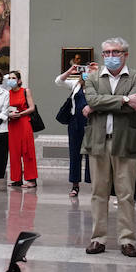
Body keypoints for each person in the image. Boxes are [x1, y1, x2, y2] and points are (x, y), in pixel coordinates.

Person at [84, 37, 136, 257]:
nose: (110, 56)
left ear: (125, 54)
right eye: (107, 53)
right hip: (98, 141)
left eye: (115, 52)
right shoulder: (92, 78)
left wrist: (100, 104)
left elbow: (134, 106)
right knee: (98, 193)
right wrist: (123, 99)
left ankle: (127, 240)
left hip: (125, 142)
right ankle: (98, 239)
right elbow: (92, 101)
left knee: (126, 194)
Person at [53, 61, 91, 197]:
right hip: (75, 122)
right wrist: (70, 71)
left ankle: (93, 183)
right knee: (75, 153)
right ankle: (75, 185)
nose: (87, 72)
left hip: (92, 123)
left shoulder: (99, 85)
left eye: (90, 70)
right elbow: (58, 81)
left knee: (91, 155)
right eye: (85, 70)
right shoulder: (76, 84)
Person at [4, 70, 38, 188]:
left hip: (24, 122)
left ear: (19, 80)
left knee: (27, 150)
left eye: (13, 78)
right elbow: (4, 110)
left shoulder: (25, 91)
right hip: (12, 124)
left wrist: (21, 114)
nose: (11, 80)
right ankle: (16, 179)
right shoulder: (6, 93)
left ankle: (31, 179)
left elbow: (32, 107)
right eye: (9, 78)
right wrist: (9, 115)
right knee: (14, 152)